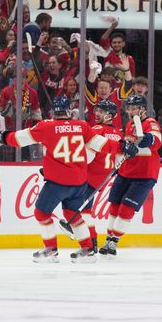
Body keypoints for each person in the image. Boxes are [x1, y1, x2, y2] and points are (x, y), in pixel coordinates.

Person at [0, 95, 128, 263]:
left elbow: (18, 139)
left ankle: (51, 249)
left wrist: (3, 136)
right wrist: (122, 147)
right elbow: (102, 145)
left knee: (41, 213)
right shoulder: (82, 126)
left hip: (57, 183)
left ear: (53, 112)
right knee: (72, 213)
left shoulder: (46, 126)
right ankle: (87, 250)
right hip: (80, 183)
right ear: (69, 111)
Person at [99, 94, 162, 258]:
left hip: (145, 175)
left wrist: (146, 139)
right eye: (129, 108)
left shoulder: (150, 123)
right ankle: (108, 238)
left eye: (134, 108)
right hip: (126, 171)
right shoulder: (129, 124)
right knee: (114, 205)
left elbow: (157, 140)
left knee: (126, 208)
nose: (131, 110)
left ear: (142, 109)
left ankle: (114, 241)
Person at [60, 99, 124, 252]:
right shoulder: (117, 133)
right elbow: (119, 158)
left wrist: (72, 166)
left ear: (109, 115)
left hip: (88, 175)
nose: (97, 114)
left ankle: (89, 240)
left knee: (74, 208)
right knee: (86, 210)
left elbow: (87, 154)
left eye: (101, 112)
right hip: (101, 177)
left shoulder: (97, 129)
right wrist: (115, 168)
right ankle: (93, 241)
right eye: (97, 110)